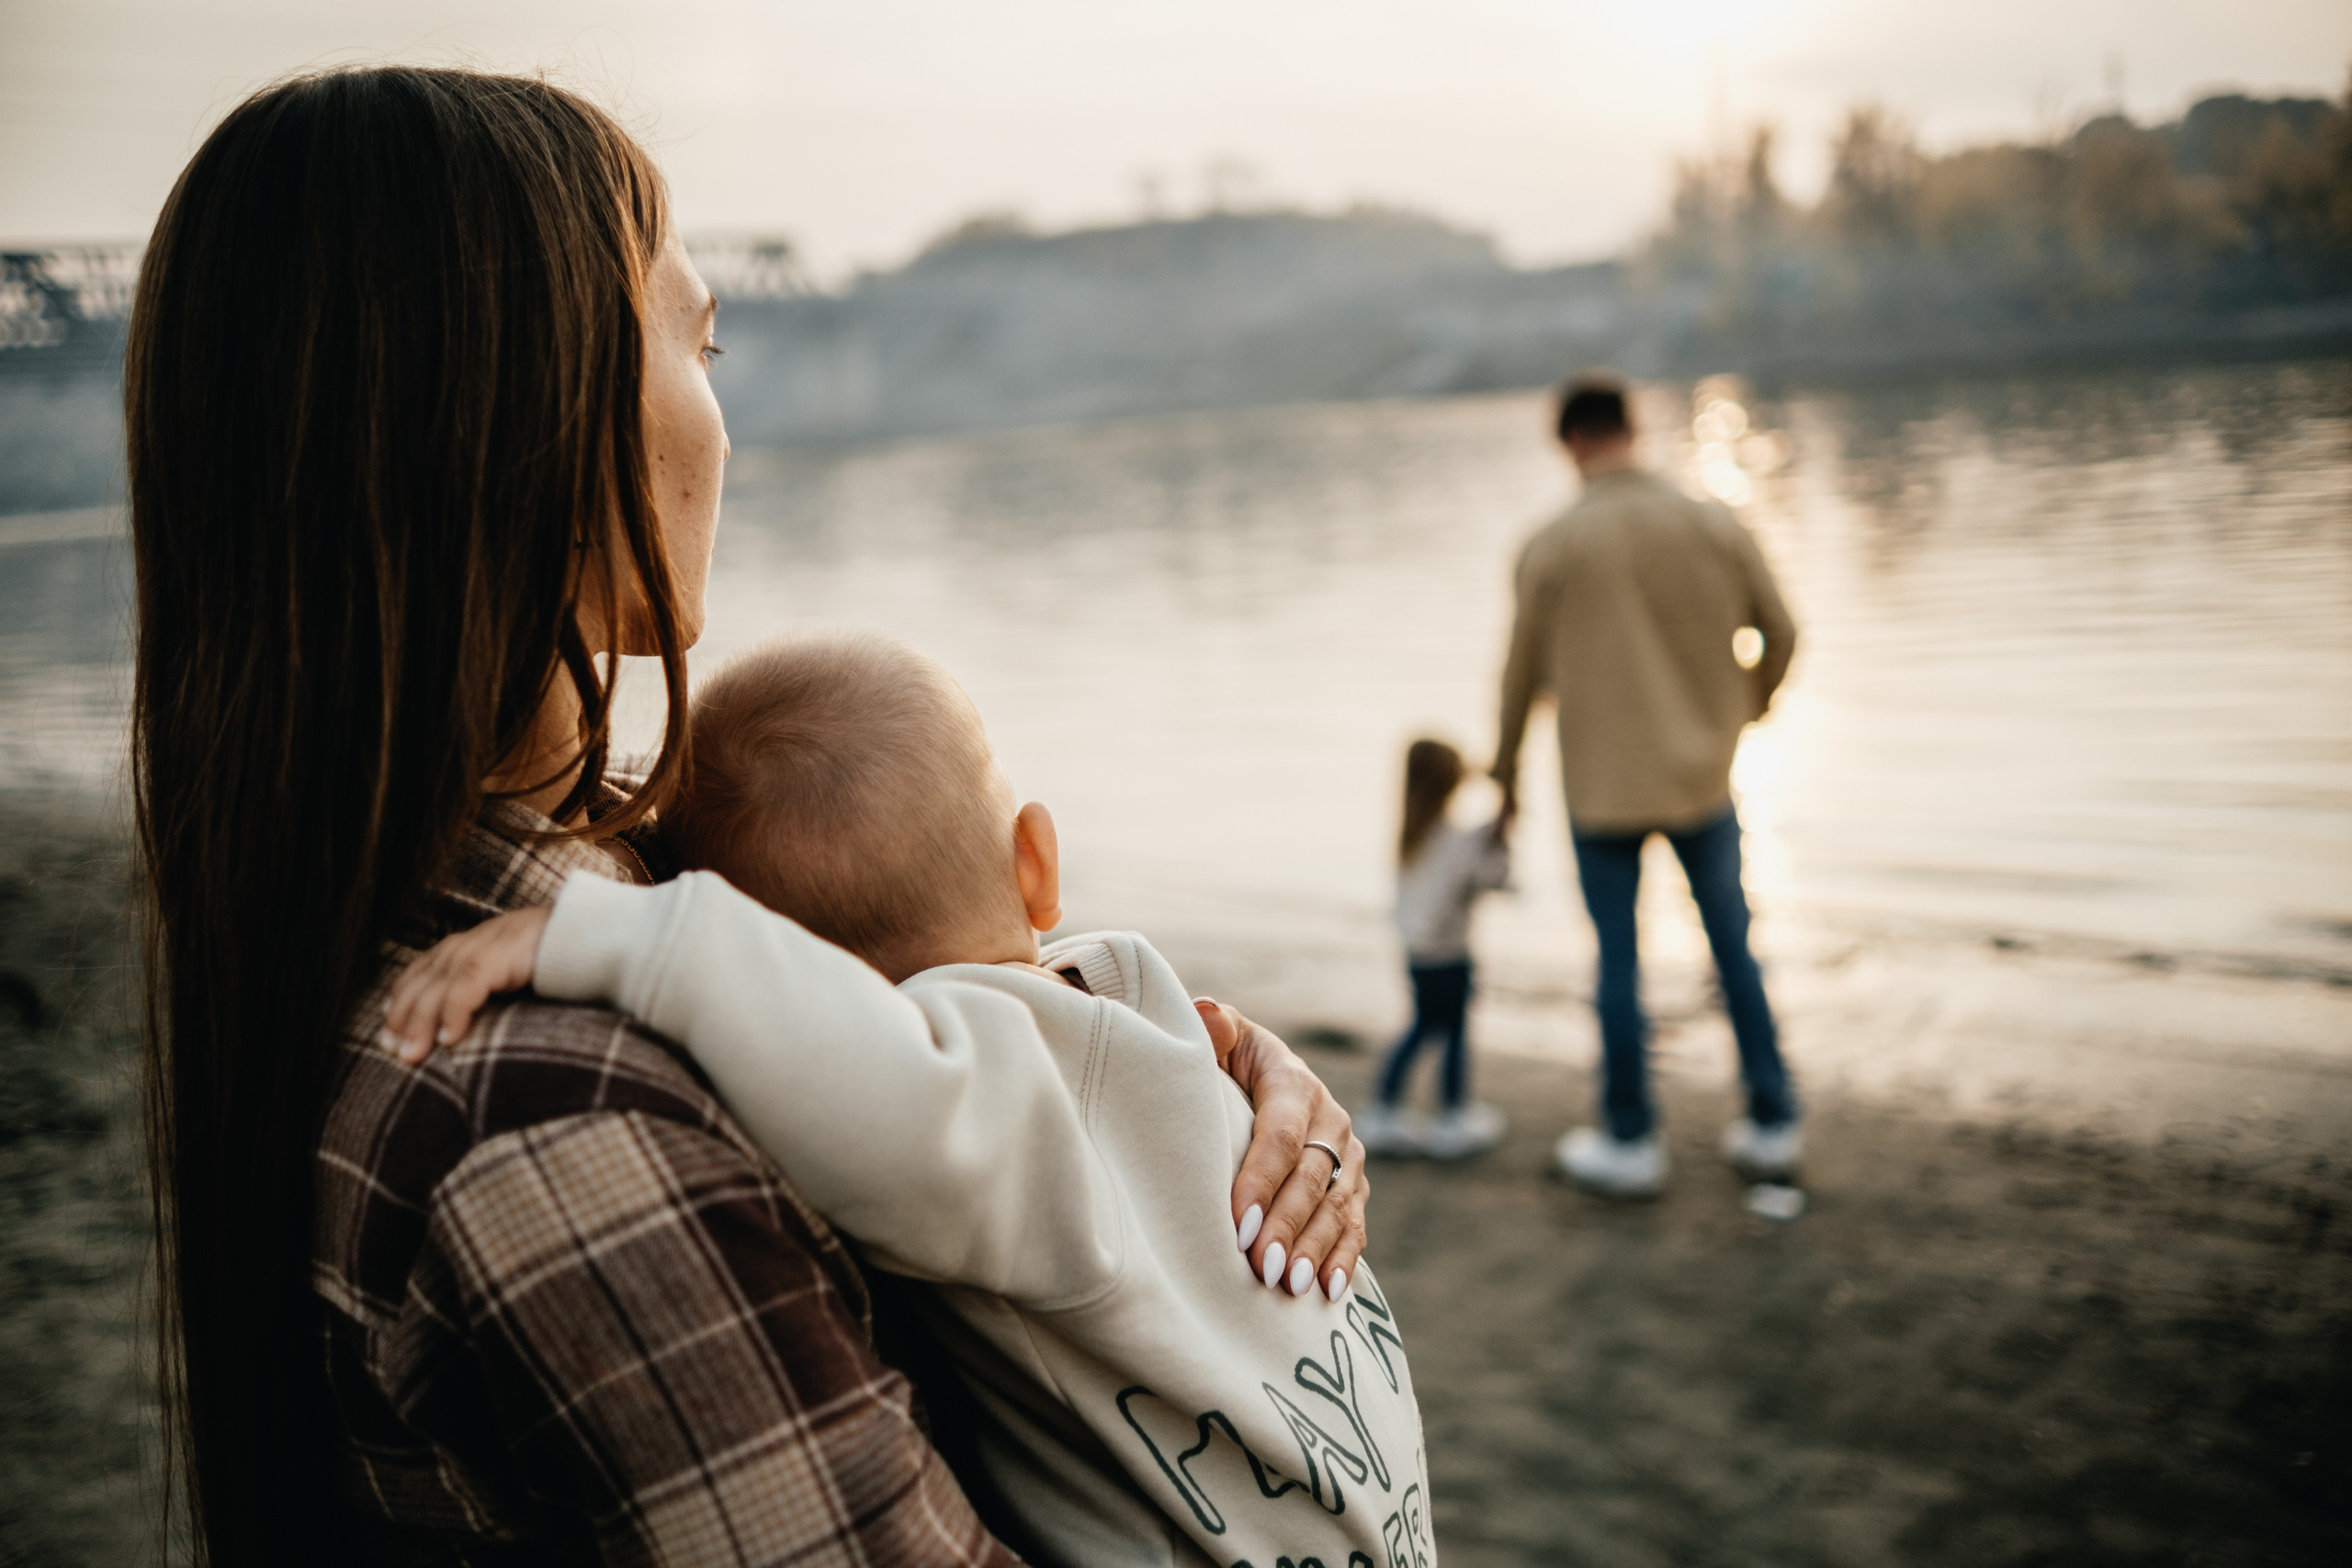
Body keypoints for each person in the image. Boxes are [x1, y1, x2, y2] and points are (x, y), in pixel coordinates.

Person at [128, 66, 1363, 1564]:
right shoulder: (545, 1120)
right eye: (698, 341)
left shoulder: (583, 918)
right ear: (529, 408)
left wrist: (1187, 1074)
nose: (724, 424)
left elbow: (918, 1020)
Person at [382, 634, 1434, 1568]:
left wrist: (634, 937)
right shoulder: (1147, 1004)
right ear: (1035, 861)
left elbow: (884, 1090)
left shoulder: (982, 1104)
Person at [1490, 371, 1802, 1198]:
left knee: (1619, 963)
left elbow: (1517, 679)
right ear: (1634, 428)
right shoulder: (1710, 520)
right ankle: (1773, 1122)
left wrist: (1506, 779)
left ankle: (1631, 1139)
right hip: (1704, 776)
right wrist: (1747, 714)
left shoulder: (1551, 543)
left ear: (1570, 444)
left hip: (1601, 791)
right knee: (1734, 948)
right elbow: (1782, 630)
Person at [1356, 739, 1512, 1160]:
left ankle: (1384, 1107)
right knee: (1452, 1032)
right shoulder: (1457, 841)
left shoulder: (1411, 834)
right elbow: (1491, 879)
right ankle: (1452, 1116)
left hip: (1416, 952)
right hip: (1448, 955)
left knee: (1423, 1025)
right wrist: (1501, 839)